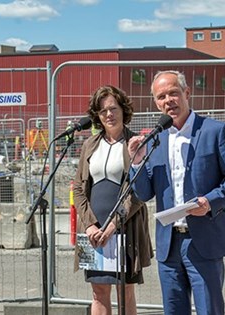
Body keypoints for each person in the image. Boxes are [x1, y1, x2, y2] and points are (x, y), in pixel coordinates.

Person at [127, 70, 225, 315]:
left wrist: (210, 201)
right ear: (156, 102)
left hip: (203, 239)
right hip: (168, 244)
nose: (168, 100)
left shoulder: (215, 131)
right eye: (161, 96)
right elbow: (144, 194)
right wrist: (137, 162)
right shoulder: (154, 140)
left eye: (173, 93)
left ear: (187, 93)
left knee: (209, 310)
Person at [73, 85, 153, 315]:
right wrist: (89, 224)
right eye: (102, 110)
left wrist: (112, 225)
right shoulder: (90, 145)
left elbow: (139, 191)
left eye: (113, 108)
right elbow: (78, 186)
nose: (108, 114)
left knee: (124, 291)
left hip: (125, 226)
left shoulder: (135, 142)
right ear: (97, 116)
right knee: (98, 291)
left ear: (123, 110)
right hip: (93, 230)